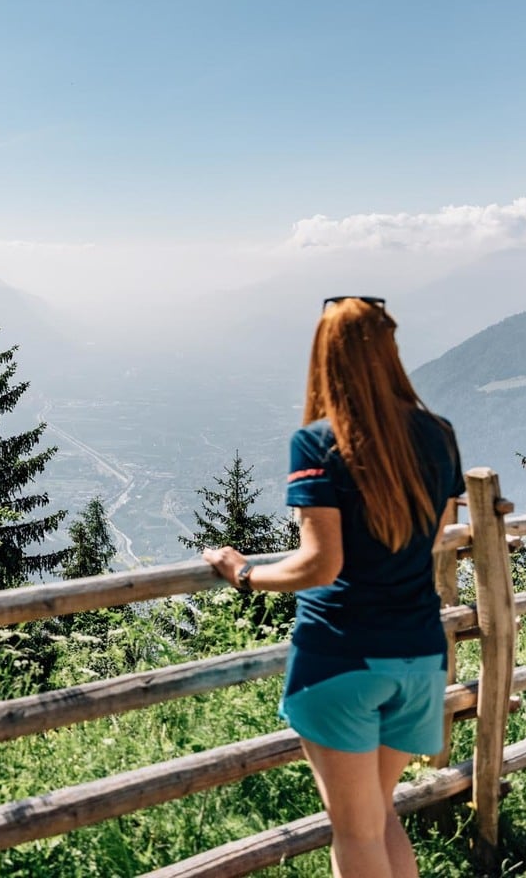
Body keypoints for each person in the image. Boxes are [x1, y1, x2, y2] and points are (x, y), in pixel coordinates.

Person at [202, 296, 461, 878]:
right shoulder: (439, 435)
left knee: (355, 833)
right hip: (420, 655)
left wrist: (243, 573)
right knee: (380, 817)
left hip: (341, 657)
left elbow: (320, 565)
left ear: (325, 357)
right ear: (390, 352)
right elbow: (438, 533)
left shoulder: (319, 443)